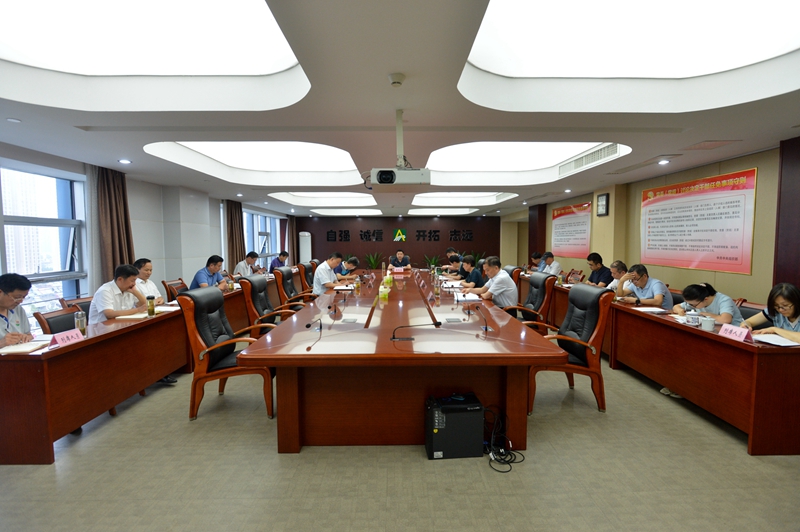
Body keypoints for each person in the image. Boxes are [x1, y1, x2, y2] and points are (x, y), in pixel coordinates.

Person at [132, 258, 177, 384]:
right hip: (142, 318)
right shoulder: (133, 285)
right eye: (146, 270)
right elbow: (141, 304)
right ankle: (159, 372)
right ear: (137, 269)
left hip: (157, 314)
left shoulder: (150, 283)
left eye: (151, 270)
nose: (149, 273)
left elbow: (160, 298)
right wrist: (154, 302)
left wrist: (157, 301)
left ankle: (168, 368)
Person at [673, 283, 743, 326]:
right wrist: (680, 310)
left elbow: (726, 320)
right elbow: (676, 307)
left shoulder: (724, 300)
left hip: (733, 331)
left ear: (706, 299)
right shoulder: (696, 301)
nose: (691, 306)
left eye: (693, 305)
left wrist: (705, 314)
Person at [0, 273, 34, 347]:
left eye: (23, 297)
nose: (20, 301)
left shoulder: (17, 309)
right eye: (17, 297)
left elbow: (29, 334)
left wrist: (26, 338)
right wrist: (1, 343)